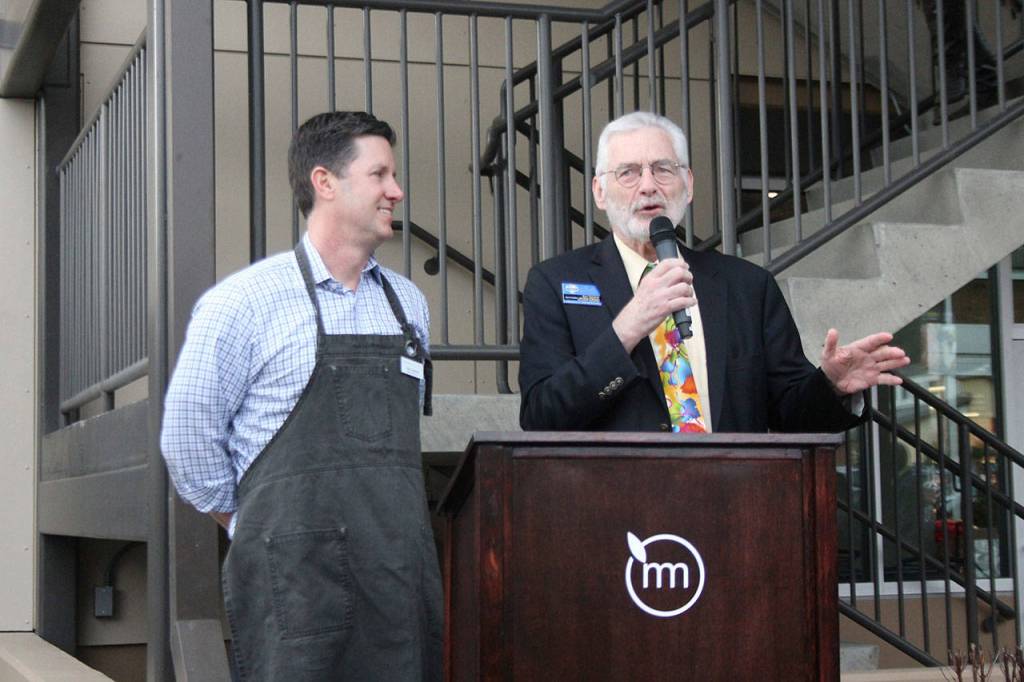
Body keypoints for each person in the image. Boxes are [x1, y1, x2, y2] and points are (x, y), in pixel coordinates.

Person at [161, 111, 442, 680]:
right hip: (294, 585)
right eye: (380, 174)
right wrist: (257, 523)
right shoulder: (243, 302)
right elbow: (187, 440)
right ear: (325, 182)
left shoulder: (409, 305)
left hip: (397, 578)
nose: (397, 190)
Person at [518, 111, 909, 433]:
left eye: (663, 169)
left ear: (687, 185)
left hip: (730, 504)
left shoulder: (746, 286)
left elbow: (793, 414)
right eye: (628, 173)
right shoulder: (555, 283)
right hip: (613, 509)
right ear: (600, 192)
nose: (649, 186)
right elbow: (541, 415)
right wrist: (630, 326)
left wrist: (830, 386)